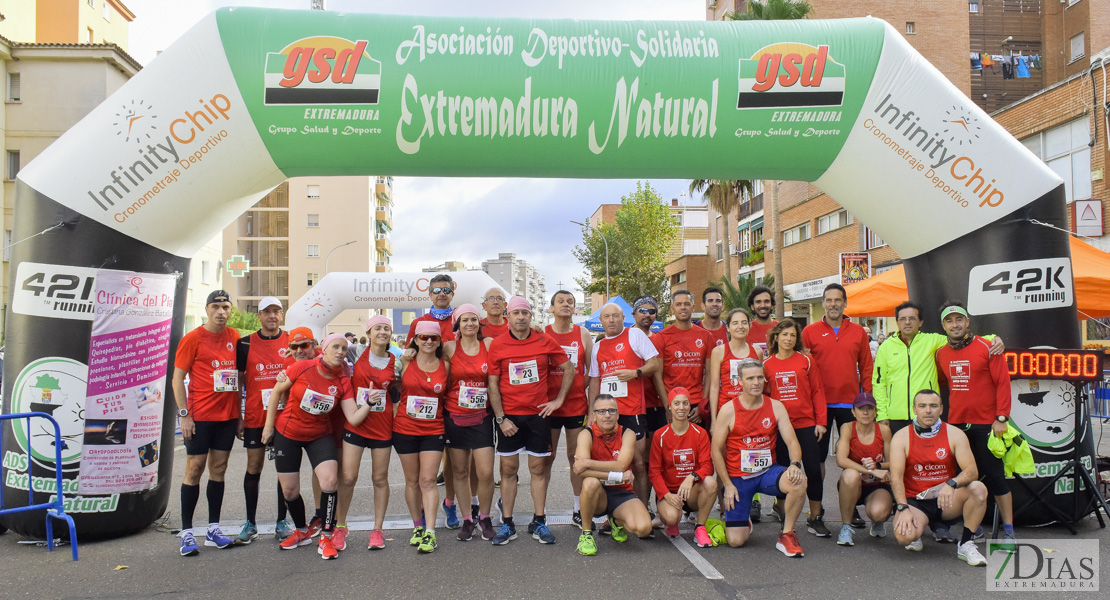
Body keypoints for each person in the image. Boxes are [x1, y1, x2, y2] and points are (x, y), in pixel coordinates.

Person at [263, 333, 373, 560]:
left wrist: (369, 403)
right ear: (324, 348)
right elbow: (276, 392)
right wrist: (268, 427)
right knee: (289, 491)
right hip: (288, 432)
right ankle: (302, 531)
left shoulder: (342, 380)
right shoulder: (302, 367)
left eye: (344, 348)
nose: (341, 352)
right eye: (336, 347)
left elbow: (352, 417)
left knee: (330, 481)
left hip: (319, 435)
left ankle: (326, 535)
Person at [488, 296, 574, 545]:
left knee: (538, 469)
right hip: (509, 417)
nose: (521, 317)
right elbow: (492, 383)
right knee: (508, 470)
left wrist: (557, 401)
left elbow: (569, 368)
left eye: (525, 313)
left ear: (531, 316)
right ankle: (507, 524)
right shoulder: (498, 344)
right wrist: (500, 418)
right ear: (509, 316)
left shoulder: (544, 339)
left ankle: (539, 521)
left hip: (538, 416)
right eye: (516, 313)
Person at [935, 302, 1014, 544]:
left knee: (996, 475)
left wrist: (1001, 417)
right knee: (961, 476)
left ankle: (1009, 528)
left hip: (987, 425)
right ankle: (971, 526)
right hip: (956, 425)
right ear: (944, 326)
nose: (955, 324)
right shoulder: (941, 354)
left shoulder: (988, 347)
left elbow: (1003, 383)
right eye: (950, 321)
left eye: (959, 319)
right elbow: (942, 385)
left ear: (967, 322)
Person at [711, 358, 807, 557]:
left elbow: (791, 442)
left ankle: (787, 533)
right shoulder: (728, 410)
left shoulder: (776, 406)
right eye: (751, 378)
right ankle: (743, 518)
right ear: (740, 381)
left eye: (760, 377)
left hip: (767, 472)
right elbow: (716, 451)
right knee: (736, 541)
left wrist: (795, 464)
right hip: (738, 477)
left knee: (798, 482)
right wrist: (727, 484)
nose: (756, 382)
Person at [172, 290, 241, 556]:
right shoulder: (193, 339)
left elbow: (238, 378)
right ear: (207, 309)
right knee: (194, 468)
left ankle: (213, 529)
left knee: (219, 469)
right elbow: (177, 378)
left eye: (225, 307)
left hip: (227, 417)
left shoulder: (235, 337)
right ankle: (187, 532)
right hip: (199, 417)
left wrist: (239, 417)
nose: (221, 312)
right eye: (216, 307)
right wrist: (184, 414)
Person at [802, 283, 873, 529]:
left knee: (852, 459)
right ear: (823, 303)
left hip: (849, 405)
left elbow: (866, 367)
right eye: (829, 300)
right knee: (817, 460)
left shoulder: (858, 332)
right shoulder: (809, 331)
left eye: (838, 300)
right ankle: (817, 510)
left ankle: (849, 507)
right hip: (818, 406)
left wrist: (868, 401)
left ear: (844, 303)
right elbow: (803, 367)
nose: (833, 304)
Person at [889, 390, 988, 566]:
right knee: (904, 537)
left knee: (979, 489)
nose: (928, 410)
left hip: (946, 500)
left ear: (941, 409)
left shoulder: (955, 434)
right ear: (914, 409)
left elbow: (972, 471)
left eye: (933, 406)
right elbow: (896, 477)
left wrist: (952, 483)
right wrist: (902, 507)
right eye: (923, 406)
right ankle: (917, 531)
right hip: (916, 501)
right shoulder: (902, 436)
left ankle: (966, 544)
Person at [874, 301, 1004, 434]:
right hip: (895, 416)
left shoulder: (932, 340)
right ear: (897, 322)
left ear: (921, 322)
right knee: (897, 454)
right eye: (903, 319)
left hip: (926, 415)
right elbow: (878, 383)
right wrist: (882, 414)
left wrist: (994, 338)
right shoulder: (886, 347)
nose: (907, 322)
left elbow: (963, 339)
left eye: (912, 318)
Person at [589, 302, 662, 506]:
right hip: (606, 414)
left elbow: (654, 364)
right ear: (601, 321)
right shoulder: (598, 347)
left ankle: (641, 507)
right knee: (608, 463)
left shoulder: (635, 335)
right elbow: (595, 380)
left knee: (638, 463)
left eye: (615, 316)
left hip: (633, 411)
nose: (611, 320)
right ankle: (610, 510)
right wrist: (591, 414)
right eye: (606, 316)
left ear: (623, 318)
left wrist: (635, 372)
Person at [762, 319, 829, 537]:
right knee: (783, 471)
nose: (788, 339)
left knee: (812, 470)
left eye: (792, 335)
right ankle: (783, 515)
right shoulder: (767, 364)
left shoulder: (806, 361)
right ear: (776, 338)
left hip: (806, 424)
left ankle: (816, 516)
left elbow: (817, 391)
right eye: (784, 335)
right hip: (780, 427)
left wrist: (821, 421)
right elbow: (764, 396)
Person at [335, 315, 396, 551]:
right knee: (348, 477)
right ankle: (341, 526)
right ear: (369, 333)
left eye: (386, 328)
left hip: (382, 426)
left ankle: (378, 530)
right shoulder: (354, 351)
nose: (382, 332)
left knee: (379, 479)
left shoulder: (397, 361)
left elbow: (401, 388)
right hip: (357, 424)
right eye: (378, 328)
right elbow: (328, 353)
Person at [233, 296, 289, 545]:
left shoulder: (291, 341)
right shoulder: (244, 343)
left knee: (284, 471)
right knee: (254, 468)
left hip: (285, 416)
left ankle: (282, 522)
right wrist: (239, 415)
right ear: (259, 316)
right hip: (256, 416)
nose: (272, 316)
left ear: (282, 315)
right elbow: (238, 382)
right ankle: (250, 523)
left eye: (276, 311)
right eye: (267, 311)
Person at [394, 320, 451, 553]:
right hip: (405, 428)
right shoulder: (405, 361)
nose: (428, 341)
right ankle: (417, 526)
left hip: (433, 430)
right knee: (412, 481)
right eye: (423, 337)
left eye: (433, 338)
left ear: (439, 342)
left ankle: (430, 532)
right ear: (416, 340)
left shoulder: (445, 366)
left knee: (427, 481)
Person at [573, 394, 654, 555]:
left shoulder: (627, 433)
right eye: (602, 411)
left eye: (611, 410)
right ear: (594, 414)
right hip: (598, 493)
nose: (607, 415)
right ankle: (586, 534)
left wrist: (588, 462)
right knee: (590, 482)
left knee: (643, 529)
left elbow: (622, 465)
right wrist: (616, 475)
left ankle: (615, 521)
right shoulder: (586, 435)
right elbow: (580, 472)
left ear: (618, 414)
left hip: (622, 493)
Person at [443, 304, 497, 542]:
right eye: (464, 320)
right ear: (457, 324)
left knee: (485, 472)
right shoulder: (449, 347)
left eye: (473, 319)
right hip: (455, 416)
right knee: (460, 471)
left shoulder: (489, 344)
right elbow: (427, 358)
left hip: (482, 418)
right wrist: (409, 353)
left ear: (479, 322)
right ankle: (467, 519)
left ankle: (484, 517)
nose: (470, 324)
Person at [706, 307, 765, 522]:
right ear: (728, 327)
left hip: (750, 413)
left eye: (744, 322)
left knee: (747, 456)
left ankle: (748, 501)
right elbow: (714, 387)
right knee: (722, 458)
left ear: (750, 326)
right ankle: (725, 507)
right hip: (725, 413)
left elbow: (760, 386)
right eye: (735, 323)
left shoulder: (757, 352)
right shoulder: (719, 351)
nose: (740, 326)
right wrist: (713, 419)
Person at [544, 290, 593, 529]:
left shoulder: (582, 333)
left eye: (570, 302)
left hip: (575, 405)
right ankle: (539, 511)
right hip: (548, 406)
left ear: (575, 308)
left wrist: (575, 390)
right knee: (546, 458)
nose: (566, 305)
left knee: (576, 457)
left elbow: (590, 372)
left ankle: (577, 508)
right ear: (551, 308)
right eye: (560, 301)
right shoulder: (543, 333)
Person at [650, 388, 717, 545]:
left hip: (691, 491)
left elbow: (708, 465)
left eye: (685, 403)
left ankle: (700, 527)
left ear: (689, 406)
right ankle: (671, 522)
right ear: (670, 407)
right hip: (670, 493)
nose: (681, 407)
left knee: (710, 482)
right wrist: (666, 495)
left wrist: (692, 476)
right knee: (672, 516)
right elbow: (654, 471)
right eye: (677, 403)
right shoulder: (660, 435)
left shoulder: (700, 433)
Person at [834, 393, 894, 546]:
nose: (865, 413)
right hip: (854, 484)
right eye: (861, 409)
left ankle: (877, 522)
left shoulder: (884, 430)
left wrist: (877, 465)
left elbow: (893, 462)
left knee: (879, 513)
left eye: (869, 408)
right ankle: (846, 527)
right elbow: (841, 460)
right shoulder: (847, 427)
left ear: (876, 412)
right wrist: (870, 471)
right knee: (849, 474)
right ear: (854, 412)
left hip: (876, 486)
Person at [652, 290, 714, 426]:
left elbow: (710, 373)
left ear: (693, 307)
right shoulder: (662, 337)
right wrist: (667, 406)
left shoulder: (706, 336)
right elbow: (657, 376)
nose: (683, 307)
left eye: (687, 304)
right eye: (678, 304)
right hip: (672, 402)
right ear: (672, 308)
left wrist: (702, 405)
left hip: (696, 404)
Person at [405, 273, 457, 344]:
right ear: (430, 295)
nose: (442, 294)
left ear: (452, 295)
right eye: (436, 290)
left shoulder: (461, 321)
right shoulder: (418, 323)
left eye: (446, 290)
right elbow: (408, 351)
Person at [746, 285, 779, 351]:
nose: (763, 305)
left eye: (766, 301)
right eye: (758, 302)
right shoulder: (746, 330)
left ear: (772, 305)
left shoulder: (780, 328)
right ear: (752, 306)